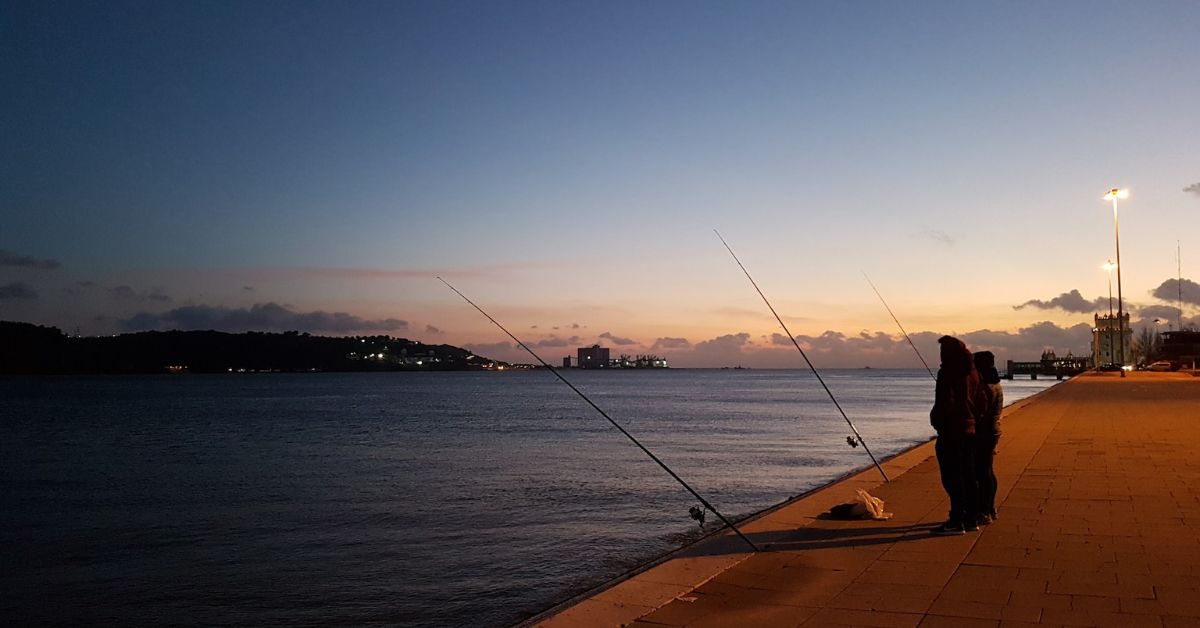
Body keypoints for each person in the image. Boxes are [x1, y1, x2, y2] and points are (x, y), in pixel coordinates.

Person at [930, 336, 989, 535]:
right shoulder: (974, 373)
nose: (940, 355)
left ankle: (956, 520)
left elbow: (944, 403)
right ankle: (971, 518)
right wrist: (973, 420)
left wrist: (937, 421)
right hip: (970, 431)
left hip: (951, 432)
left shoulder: (947, 372)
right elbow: (983, 401)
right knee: (969, 476)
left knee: (952, 478)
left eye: (942, 351)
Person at [973, 351, 1003, 524]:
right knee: (987, 471)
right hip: (993, 430)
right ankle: (990, 508)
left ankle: (984, 510)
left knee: (982, 473)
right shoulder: (995, 384)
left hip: (984, 432)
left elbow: (979, 412)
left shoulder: (985, 387)